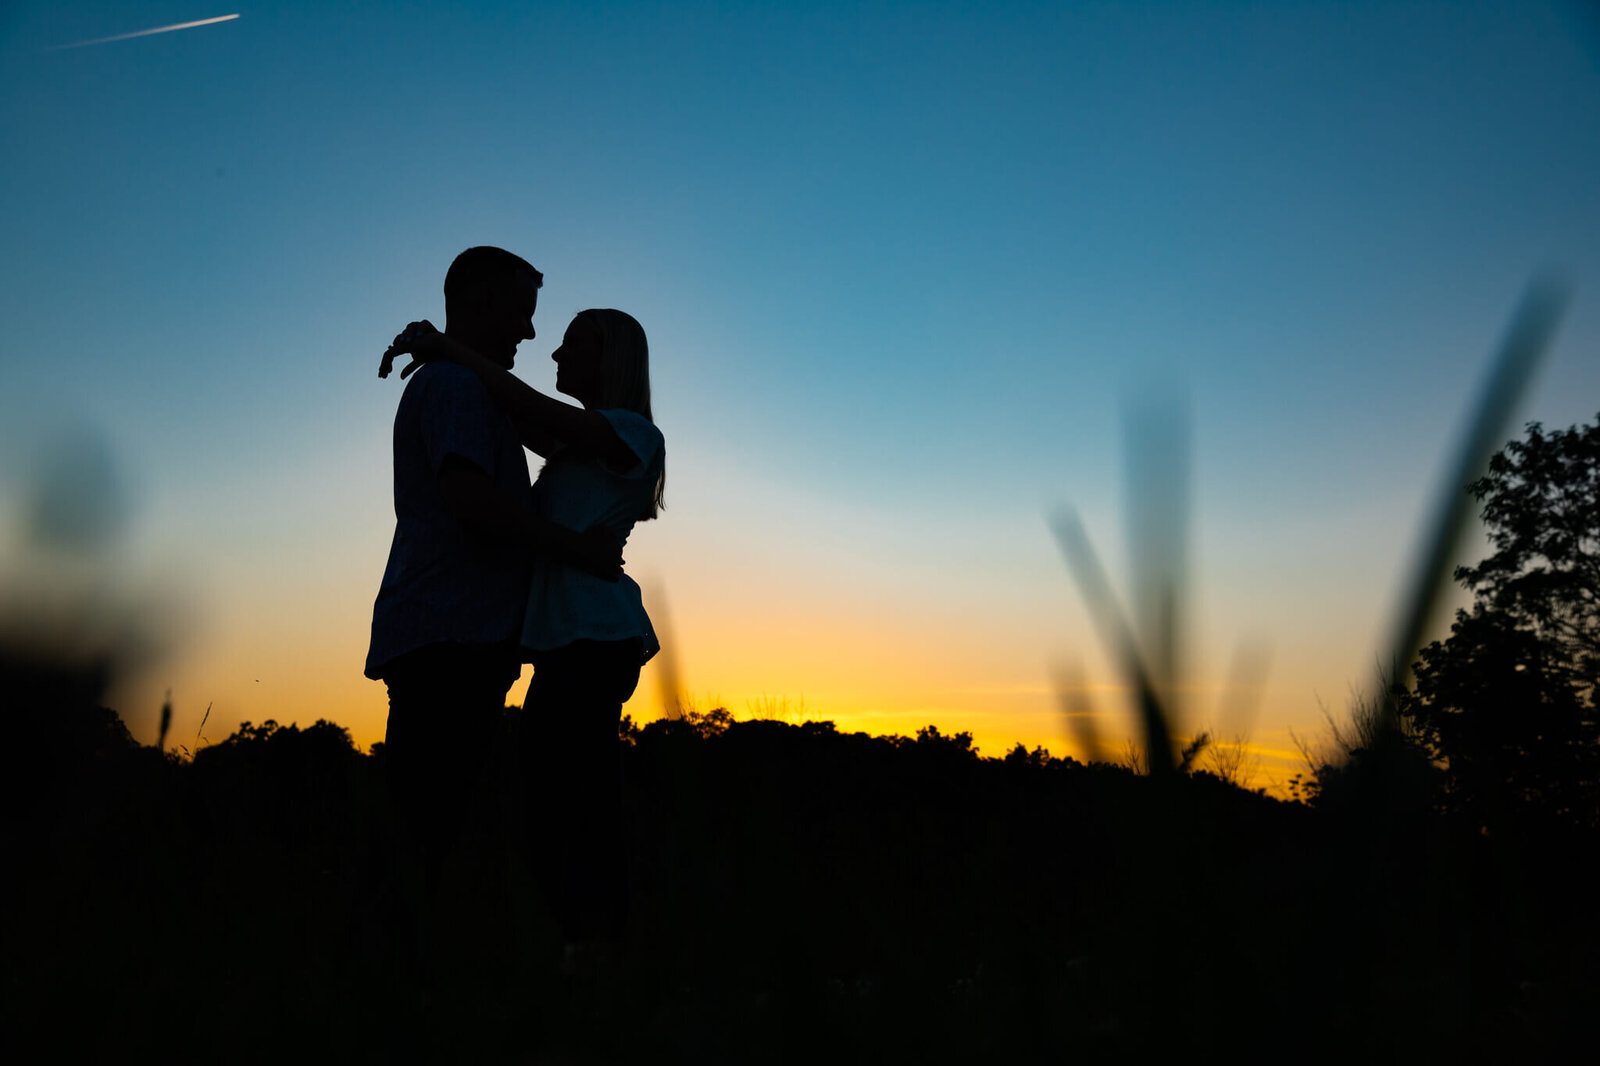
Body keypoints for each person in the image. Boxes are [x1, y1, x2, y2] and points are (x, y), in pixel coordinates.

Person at [364, 247, 623, 956]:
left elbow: (551, 430)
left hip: (459, 637)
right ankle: (386, 982)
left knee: (435, 824)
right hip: (449, 638)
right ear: (479, 304)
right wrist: (580, 552)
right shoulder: (454, 388)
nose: (530, 335)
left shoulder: (471, 386)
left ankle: (403, 974)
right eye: (520, 313)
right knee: (425, 826)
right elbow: (474, 508)